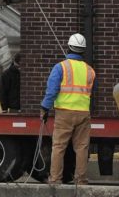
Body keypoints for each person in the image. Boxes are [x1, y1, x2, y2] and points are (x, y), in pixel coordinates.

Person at [41, 33, 95, 186]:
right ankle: (81, 180)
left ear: (69, 47)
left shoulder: (61, 67)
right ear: (83, 50)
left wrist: (44, 108)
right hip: (83, 113)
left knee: (58, 146)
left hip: (64, 112)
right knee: (82, 148)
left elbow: (52, 91)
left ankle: (55, 179)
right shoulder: (90, 70)